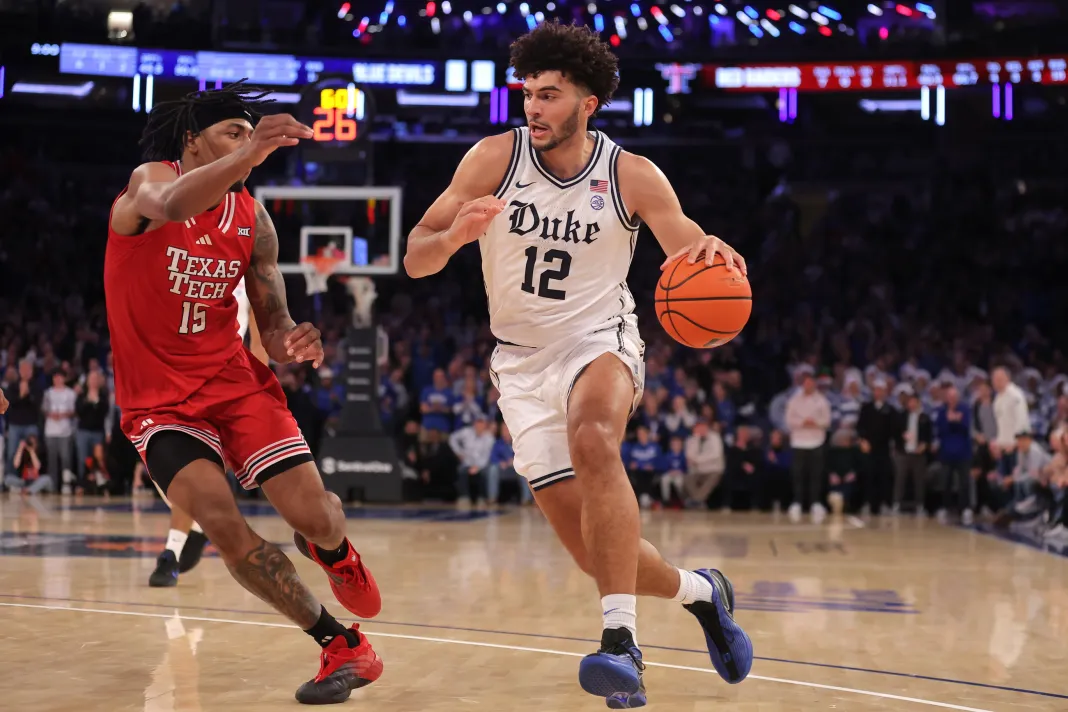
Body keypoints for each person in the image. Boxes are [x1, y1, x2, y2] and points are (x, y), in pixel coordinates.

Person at [403, 21, 752, 706]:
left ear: (587, 103)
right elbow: (416, 257)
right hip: (521, 363)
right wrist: (455, 236)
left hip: (600, 339)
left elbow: (686, 244)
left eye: (550, 95)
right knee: (596, 553)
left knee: (595, 438)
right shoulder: (490, 159)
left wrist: (711, 249)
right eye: (529, 93)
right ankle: (702, 593)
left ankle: (620, 642)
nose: (533, 107)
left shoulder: (630, 174)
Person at [105, 81, 382, 704]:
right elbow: (173, 204)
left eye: (247, 135)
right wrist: (250, 152)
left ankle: (330, 546)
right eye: (232, 132)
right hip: (160, 404)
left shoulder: (251, 218)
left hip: (236, 386)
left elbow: (273, 319)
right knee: (225, 528)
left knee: (315, 515)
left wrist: (293, 340)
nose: (244, 145)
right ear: (192, 140)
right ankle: (344, 648)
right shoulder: (150, 181)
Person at [148, 277, 268, 588]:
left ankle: (170, 554)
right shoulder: (192, 267)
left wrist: (258, 392)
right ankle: (198, 528)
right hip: (177, 377)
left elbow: (258, 342)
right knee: (168, 472)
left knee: (193, 471)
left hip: (223, 382)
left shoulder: (250, 276)